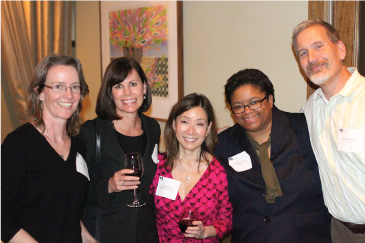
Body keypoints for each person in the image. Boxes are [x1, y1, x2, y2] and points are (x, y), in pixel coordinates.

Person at [214, 69, 331, 243]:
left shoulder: (305, 128)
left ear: (270, 100)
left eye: (254, 102)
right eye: (238, 106)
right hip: (250, 236)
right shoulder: (223, 143)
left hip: (306, 236)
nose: (247, 111)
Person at [1, 54, 91, 242]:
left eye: (75, 87)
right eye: (58, 86)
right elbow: (3, 218)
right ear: (40, 92)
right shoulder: (18, 145)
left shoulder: (79, 146)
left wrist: (90, 240)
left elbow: (68, 212)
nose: (69, 95)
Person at [292, 19, 365, 241]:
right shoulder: (310, 109)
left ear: (340, 49)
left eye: (318, 46)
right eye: (303, 53)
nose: (311, 59)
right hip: (339, 231)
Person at [78, 57, 160, 243]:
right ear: (110, 92)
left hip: (145, 231)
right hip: (107, 232)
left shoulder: (153, 128)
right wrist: (109, 186)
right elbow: (75, 190)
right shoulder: (91, 132)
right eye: (118, 86)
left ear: (144, 88)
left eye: (133, 84)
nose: (127, 93)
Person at [150, 93, 233, 243]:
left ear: (208, 128)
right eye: (185, 122)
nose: (191, 131)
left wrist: (205, 232)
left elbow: (226, 220)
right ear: (174, 125)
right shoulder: (158, 166)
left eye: (199, 124)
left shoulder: (217, 172)